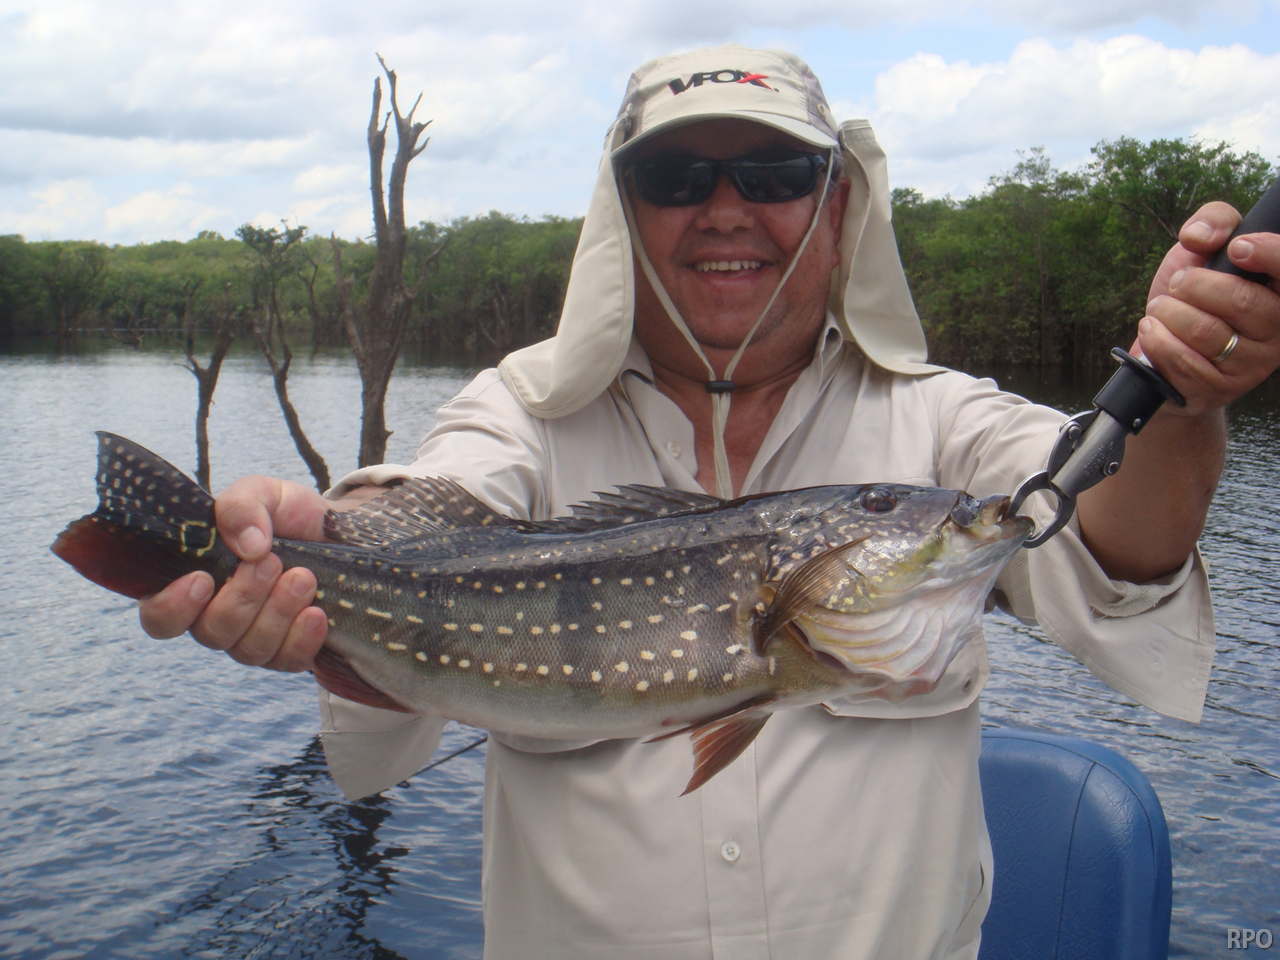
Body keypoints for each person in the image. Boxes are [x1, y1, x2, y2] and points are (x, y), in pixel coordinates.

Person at [139, 45, 1280, 958]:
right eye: (677, 179)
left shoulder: (943, 423)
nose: (726, 210)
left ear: (838, 207)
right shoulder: (519, 411)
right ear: (623, 214)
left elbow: (1114, 543)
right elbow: (434, 504)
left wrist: (1181, 397)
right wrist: (305, 547)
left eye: (776, 175)